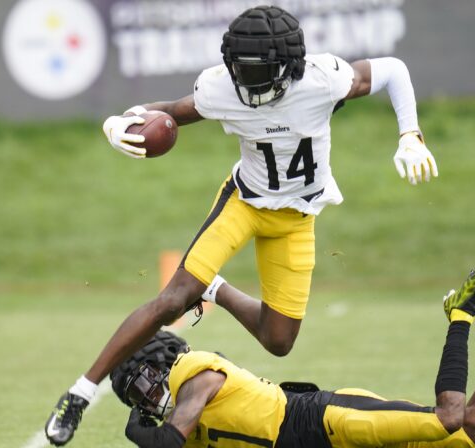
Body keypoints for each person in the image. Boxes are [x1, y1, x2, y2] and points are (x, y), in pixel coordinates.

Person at [45, 5, 439, 445]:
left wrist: (410, 133)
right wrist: (120, 121)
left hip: (297, 217)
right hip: (244, 203)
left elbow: (393, 69)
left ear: (289, 68)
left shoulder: (323, 79)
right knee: (173, 298)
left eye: (259, 72)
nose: (247, 83)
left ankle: (215, 287)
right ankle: (78, 394)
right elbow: (168, 110)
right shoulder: (221, 88)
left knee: (279, 339)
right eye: (241, 71)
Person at [112, 266, 475, 448]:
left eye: (138, 388)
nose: (144, 402)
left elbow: (168, 441)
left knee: (455, 420)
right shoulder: (184, 429)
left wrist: (140, 434)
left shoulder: (193, 373)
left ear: (156, 365)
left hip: (322, 421)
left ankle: (461, 315)